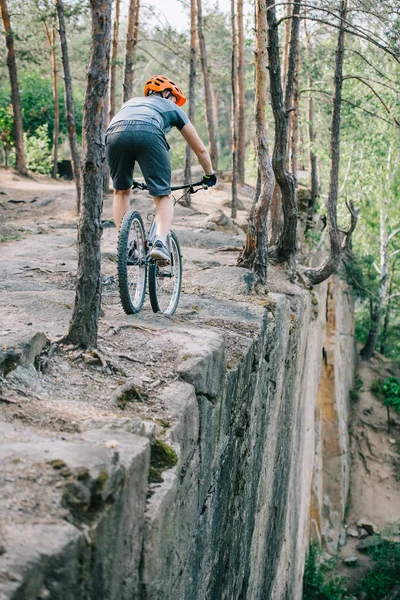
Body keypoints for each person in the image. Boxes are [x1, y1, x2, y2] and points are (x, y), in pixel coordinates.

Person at [105, 75, 217, 263]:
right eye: (174, 98)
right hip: (149, 133)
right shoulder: (173, 108)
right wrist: (209, 174)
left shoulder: (130, 103)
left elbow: (126, 128)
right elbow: (200, 149)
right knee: (162, 196)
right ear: (166, 94)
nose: (176, 103)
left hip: (114, 133)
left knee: (121, 191)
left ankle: (127, 246)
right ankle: (160, 243)